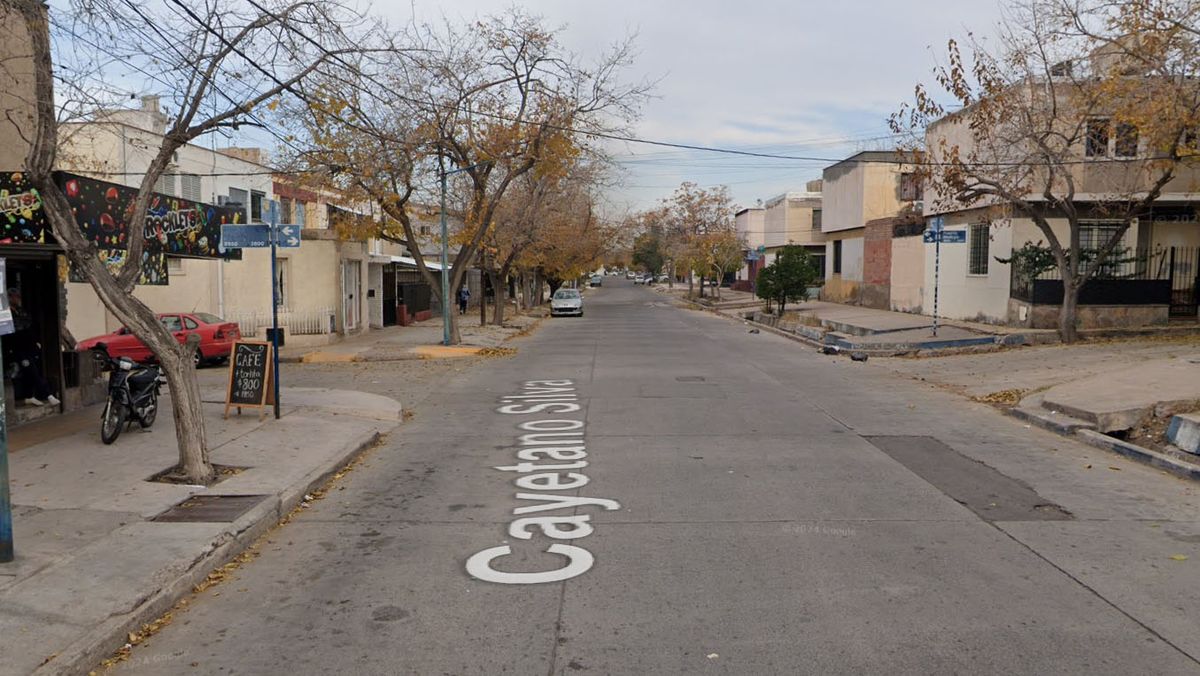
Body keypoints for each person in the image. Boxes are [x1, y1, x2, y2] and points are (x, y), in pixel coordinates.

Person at [4, 287, 59, 407]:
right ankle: (48, 395)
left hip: (28, 346)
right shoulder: (6, 313)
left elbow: (29, 325)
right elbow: (12, 331)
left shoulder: (21, 311)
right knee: (31, 370)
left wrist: (36, 342)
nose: (17, 299)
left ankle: (28, 396)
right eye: (15, 297)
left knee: (31, 371)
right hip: (17, 348)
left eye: (18, 296)